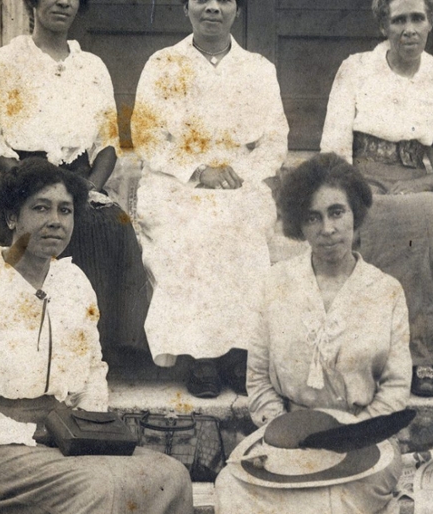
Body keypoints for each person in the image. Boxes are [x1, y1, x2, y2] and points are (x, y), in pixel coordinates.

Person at [0, 158, 193, 514]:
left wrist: (87, 430)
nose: (55, 221)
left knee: (170, 475)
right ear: (11, 218)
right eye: (40, 208)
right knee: (97, 488)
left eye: (65, 210)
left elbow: (93, 369)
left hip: (60, 434)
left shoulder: (74, 283)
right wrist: (28, 434)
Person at [214, 153, 412, 513]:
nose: (328, 229)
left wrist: (348, 435)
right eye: (312, 217)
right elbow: (257, 378)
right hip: (287, 438)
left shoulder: (386, 291)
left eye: (337, 212)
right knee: (232, 486)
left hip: (362, 440)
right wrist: (284, 434)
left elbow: (396, 388)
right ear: (298, 225)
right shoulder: (275, 284)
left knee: (330, 500)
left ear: (355, 213)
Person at [0, 0, 149, 364]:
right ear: (32, 3)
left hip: (81, 180)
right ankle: (52, 354)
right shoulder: (4, 62)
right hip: (20, 179)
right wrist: (39, 184)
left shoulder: (92, 67)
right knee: (55, 224)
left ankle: (105, 347)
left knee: (113, 223)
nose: (63, 2)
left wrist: (89, 188)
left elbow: (108, 144)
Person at [132, 0, 289, 398]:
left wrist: (242, 176)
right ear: (186, 8)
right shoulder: (163, 63)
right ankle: (201, 357)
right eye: (202, 0)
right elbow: (147, 135)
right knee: (195, 227)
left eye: (224, 1)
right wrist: (198, 172)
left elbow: (275, 139)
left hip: (239, 179)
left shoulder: (258, 68)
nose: (213, 8)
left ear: (237, 10)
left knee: (239, 226)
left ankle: (238, 353)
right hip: (178, 179)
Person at [320, 0, 433, 397]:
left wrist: (425, 184)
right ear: (383, 26)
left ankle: (425, 356)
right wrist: (354, 188)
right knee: (373, 215)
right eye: (399, 19)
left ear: (430, 25)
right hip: (360, 177)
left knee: (424, 213)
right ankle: (372, 355)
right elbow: (334, 146)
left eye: (417, 19)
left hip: (416, 179)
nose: (409, 29)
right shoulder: (355, 69)